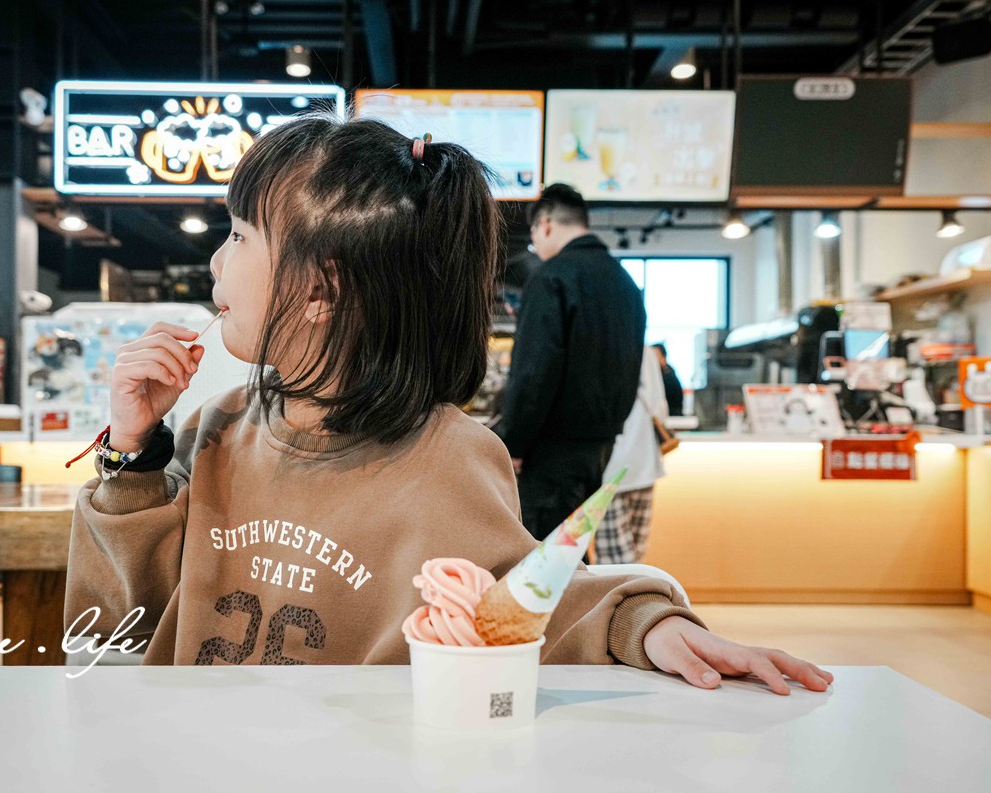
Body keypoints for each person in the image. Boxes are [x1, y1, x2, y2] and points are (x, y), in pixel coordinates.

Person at [65, 115, 833, 695]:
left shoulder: (447, 456)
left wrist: (644, 622)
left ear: (323, 290)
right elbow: (125, 622)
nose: (215, 259)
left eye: (238, 234)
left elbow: (512, 602)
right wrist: (133, 452)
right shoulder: (216, 427)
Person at [494, 184, 647, 540]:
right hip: (600, 449)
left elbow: (533, 373)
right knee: (571, 553)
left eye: (533, 236)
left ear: (545, 225)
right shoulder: (624, 282)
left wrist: (513, 444)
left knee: (540, 564)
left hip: (551, 453)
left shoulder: (551, 278)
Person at [596, 346, 667, 565]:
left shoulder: (597, 350)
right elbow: (659, 408)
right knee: (635, 555)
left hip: (610, 468)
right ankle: (637, 596)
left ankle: (623, 598)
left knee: (614, 560)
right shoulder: (647, 353)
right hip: (644, 463)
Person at [653, 343, 684, 417]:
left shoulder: (668, 377)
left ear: (663, 357)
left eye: (655, 356)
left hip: (671, 418)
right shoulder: (666, 373)